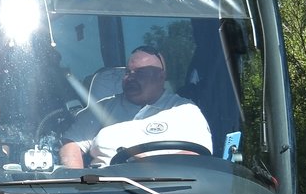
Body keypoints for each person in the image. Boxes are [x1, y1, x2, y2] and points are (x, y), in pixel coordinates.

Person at [59, 46, 213, 168]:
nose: (130, 78)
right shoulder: (102, 108)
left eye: (140, 73)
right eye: (128, 72)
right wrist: (76, 182)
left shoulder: (184, 110)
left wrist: (148, 169)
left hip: (167, 193)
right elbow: (71, 143)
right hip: (103, 191)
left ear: (161, 76)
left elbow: (196, 156)